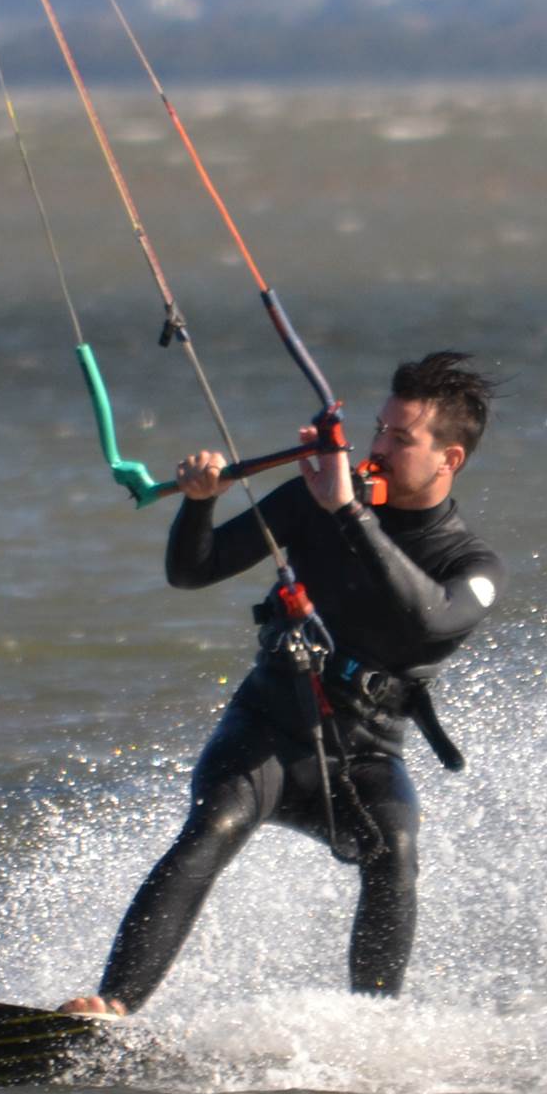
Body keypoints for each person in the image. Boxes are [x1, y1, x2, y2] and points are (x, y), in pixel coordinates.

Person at [60, 352, 505, 1015]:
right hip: (269, 724)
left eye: (400, 438)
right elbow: (194, 570)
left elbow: (429, 619)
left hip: (366, 756)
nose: (378, 447)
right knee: (215, 823)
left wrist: (349, 512)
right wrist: (200, 506)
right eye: (379, 429)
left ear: (450, 459)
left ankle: (373, 1030)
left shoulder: (470, 562)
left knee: (395, 853)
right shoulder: (312, 502)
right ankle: (113, 1008)